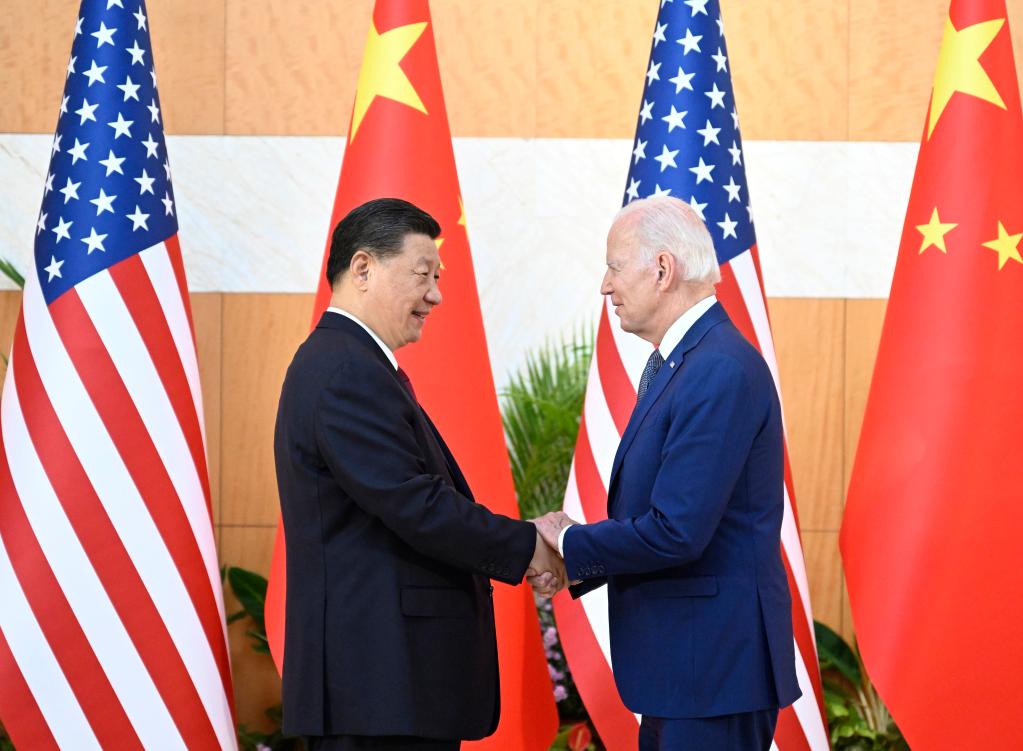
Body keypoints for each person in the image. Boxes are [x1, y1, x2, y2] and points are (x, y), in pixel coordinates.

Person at [274, 197, 564, 751]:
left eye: (438, 277)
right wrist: (529, 545)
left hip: (389, 690)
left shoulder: (352, 363)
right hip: (376, 688)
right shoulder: (344, 370)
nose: (436, 295)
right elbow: (415, 504)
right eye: (422, 274)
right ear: (363, 268)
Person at [534, 196, 800, 751]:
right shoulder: (689, 362)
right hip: (689, 672)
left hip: (711, 674)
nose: (605, 286)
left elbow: (678, 530)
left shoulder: (718, 368)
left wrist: (570, 543)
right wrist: (575, 558)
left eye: (614, 267)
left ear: (662, 269)